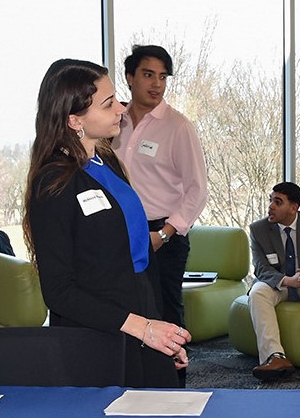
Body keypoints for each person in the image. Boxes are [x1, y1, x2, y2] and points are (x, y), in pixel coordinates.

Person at [25, 59, 188, 388]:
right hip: (97, 334)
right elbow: (59, 292)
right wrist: (141, 327)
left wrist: (158, 330)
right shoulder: (54, 182)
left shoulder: (108, 162)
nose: (121, 110)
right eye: (109, 104)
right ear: (74, 120)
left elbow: (136, 258)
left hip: (141, 316)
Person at [113, 45, 208, 332]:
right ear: (130, 77)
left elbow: (197, 190)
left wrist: (164, 234)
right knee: (125, 313)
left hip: (162, 236)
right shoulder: (115, 122)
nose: (157, 84)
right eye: (148, 74)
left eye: (163, 77)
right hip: (119, 230)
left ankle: (171, 379)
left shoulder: (178, 126)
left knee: (165, 315)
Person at [248, 181, 300, 381]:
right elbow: (260, 268)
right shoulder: (258, 229)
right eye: (271, 200)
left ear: (293, 208)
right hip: (279, 284)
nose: (270, 206)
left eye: (278, 202)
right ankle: (274, 357)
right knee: (257, 292)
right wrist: (287, 280)